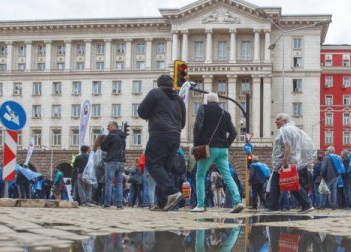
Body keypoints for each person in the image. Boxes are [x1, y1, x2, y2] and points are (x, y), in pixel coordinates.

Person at [137, 74, 186, 211]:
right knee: (164, 168)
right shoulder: (179, 99)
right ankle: (163, 202)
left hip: (159, 133)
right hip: (175, 136)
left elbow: (141, 111)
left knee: (153, 164)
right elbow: (182, 122)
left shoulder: (155, 93)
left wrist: (150, 115)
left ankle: (172, 192)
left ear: (159, 84)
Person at [191, 92, 244, 213]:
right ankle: (238, 202)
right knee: (228, 176)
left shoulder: (202, 108)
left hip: (207, 147)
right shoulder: (225, 114)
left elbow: (198, 126)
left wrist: (197, 144)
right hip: (223, 149)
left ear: (207, 101)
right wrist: (226, 144)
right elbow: (234, 133)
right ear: (218, 101)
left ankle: (200, 204)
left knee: (200, 175)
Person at [267, 113, 314, 213]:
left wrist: (285, 161)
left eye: (278, 119)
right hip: (291, 160)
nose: (276, 122)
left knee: (282, 182)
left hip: (283, 162)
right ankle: (306, 204)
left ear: (284, 120)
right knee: (290, 182)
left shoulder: (285, 130)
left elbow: (287, 146)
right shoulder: (294, 130)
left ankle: (273, 207)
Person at [100, 121, 127, 209]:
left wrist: (108, 148)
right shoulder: (123, 137)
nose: (107, 128)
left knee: (109, 182)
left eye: (109, 126)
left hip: (112, 161)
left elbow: (103, 146)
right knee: (119, 183)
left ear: (114, 126)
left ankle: (107, 202)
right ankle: (119, 204)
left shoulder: (111, 136)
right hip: (121, 161)